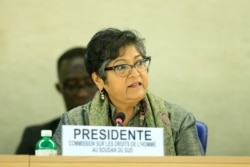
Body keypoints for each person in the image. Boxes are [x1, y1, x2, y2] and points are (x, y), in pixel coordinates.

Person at [53, 28, 204, 155]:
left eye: (139, 63)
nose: (135, 73)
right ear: (99, 80)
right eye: (121, 67)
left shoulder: (177, 121)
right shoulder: (75, 122)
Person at [16, 47, 97, 154]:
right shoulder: (36, 137)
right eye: (72, 85)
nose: (82, 93)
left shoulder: (121, 134)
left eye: (90, 83)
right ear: (59, 88)